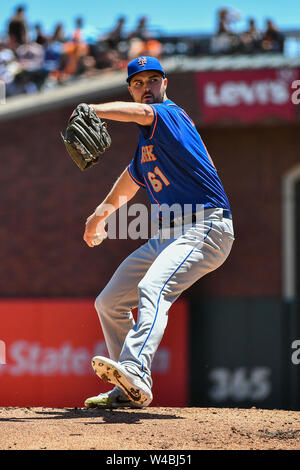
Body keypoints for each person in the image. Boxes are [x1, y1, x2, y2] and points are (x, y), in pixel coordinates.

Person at [83, 56, 235, 409]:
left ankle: (136, 369)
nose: (146, 88)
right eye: (137, 83)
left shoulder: (170, 115)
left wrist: (92, 109)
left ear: (164, 84)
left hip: (205, 226)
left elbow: (142, 115)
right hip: (168, 234)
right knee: (109, 302)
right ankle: (128, 388)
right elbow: (130, 180)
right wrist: (99, 214)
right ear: (130, 89)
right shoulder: (146, 144)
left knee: (153, 287)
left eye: (153, 80)